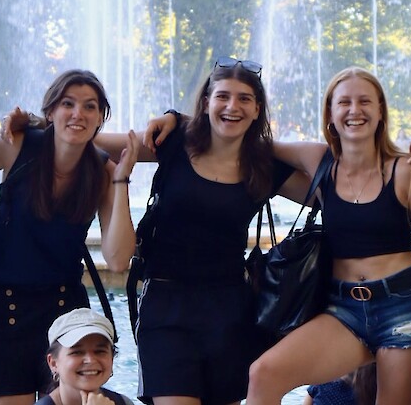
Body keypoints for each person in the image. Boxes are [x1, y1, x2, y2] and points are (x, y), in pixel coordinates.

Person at [95, 57, 310, 405]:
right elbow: (90, 141)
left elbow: (332, 190)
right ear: (206, 102)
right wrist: (38, 127)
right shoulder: (174, 141)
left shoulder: (264, 165)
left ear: (257, 110)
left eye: (244, 99)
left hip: (229, 311)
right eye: (222, 96)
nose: (232, 106)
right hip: (166, 307)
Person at [245, 67, 411, 405]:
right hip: (343, 311)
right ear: (331, 114)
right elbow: (250, 141)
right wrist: (178, 122)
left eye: (365, 101)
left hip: (406, 311)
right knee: (263, 373)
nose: (355, 110)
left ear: (381, 112)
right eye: (345, 103)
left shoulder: (407, 171)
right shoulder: (319, 161)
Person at [0, 69, 139, 404]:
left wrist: (121, 181)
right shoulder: (17, 145)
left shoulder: (102, 171)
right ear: (51, 111)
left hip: (64, 311)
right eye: (68, 103)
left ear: (100, 117)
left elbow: (118, 259)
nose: (79, 114)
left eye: (90, 107)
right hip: (3, 307)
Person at [37, 308, 135, 405]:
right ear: (53, 363)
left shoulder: (124, 402)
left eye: (99, 351)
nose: (90, 360)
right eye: (77, 352)